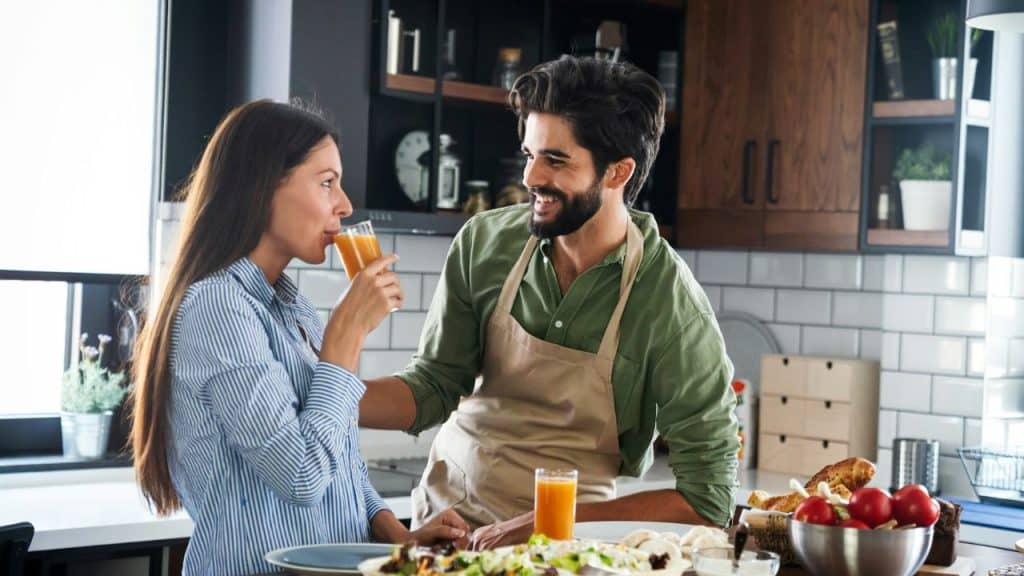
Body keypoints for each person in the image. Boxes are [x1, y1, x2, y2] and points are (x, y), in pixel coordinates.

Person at [359, 55, 739, 548]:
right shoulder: (485, 243)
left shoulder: (668, 302)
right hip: (447, 532)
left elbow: (708, 500)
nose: (531, 176)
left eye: (556, 160)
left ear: (618, 172)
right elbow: (434, 385)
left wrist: (546, 522)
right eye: (529, 153)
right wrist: (323, 397)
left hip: (570, 549)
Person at [129, 100, 468, 575]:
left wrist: (398, 534)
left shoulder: (291, 308)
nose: (345, 204)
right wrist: (345, 338)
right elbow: (302, 474)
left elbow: (339, 465)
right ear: (263, 186)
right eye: (327, 182)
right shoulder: (217, 308)